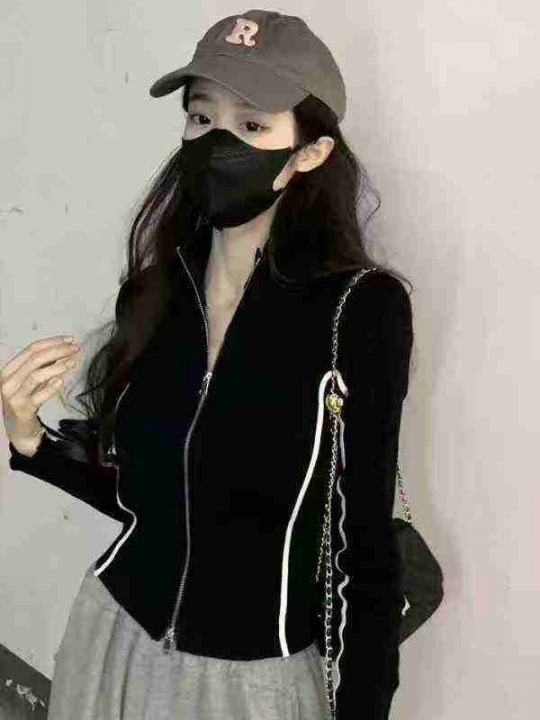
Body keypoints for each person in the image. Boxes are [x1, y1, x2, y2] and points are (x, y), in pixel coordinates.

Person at [1, 9, 414, 720]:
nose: (218, 141)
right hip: (111, 639)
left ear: (310, 152)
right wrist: (30, 440)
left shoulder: (360, 309)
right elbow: (151, 499)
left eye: (252, 125)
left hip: (248, 681)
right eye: (201, 117)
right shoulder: (156, 292)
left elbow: (363, 551)